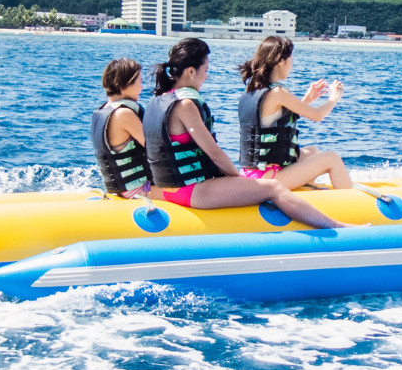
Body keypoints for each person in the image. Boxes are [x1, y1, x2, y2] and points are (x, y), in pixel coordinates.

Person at [142, 37, 346, 228]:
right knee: (280, 184)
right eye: (206, 69)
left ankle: (312, 199)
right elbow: (214, 153)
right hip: (191, 190)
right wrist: (239, 180)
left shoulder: (158, 101)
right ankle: (341, 223)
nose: (207, 75)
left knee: (312, 152)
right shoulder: (185, 105)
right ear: (190, 71)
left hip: (167, 188)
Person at [236, 35, 359, 193]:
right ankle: (348, 201)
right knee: (331, 158)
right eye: (291, 58)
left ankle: (303, 192)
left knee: (312, 152)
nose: (292, 63)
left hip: (254, 173)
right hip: (268, 178)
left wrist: (308, 99)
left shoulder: (252, 90)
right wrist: (334, 98)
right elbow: (318, 115)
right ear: (281, 61)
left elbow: (276, 117)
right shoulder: (278, 92)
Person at [91, 57, 152, 196]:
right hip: (137, 191)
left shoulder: (102, 111)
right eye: (140, 82)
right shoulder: (123, 114)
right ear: (125, 84)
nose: (142, 88)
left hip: (119, 189)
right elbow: (155, 150)